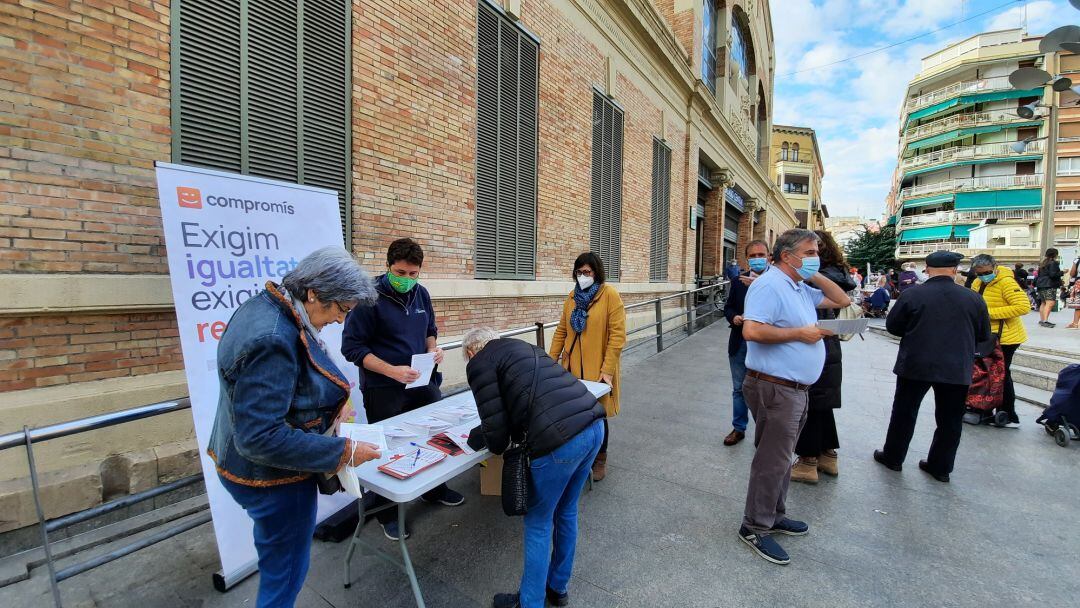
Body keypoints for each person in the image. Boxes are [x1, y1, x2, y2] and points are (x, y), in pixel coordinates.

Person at [209, 247, 383, 608]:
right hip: (273, 480)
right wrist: (343, 452)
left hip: (252, 468)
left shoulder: (272, 307)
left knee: (279, 565)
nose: (339, 321)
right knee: (285, 575)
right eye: (341, 309)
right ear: (315, 293)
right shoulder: (274, 337)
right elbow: (260, 437)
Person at [463, 328, 606, 608]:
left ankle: (531, 602)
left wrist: (478, 436)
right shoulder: (523, 347)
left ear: (470, 352)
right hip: (593, 425)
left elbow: (497, 439)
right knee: (566, 510)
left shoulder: (479, 362)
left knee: (538, 524)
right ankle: (558, 587)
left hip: (560, 442)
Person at [737, 229, 851, 565]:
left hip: (796, 389)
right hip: (774, 388)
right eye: (810, 251)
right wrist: (800, 333)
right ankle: (754, 526)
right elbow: (752, 330)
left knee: (784, 456)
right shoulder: (769, 286)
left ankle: (774, 514)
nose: (816, 254)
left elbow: (842, 300)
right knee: (772, 460)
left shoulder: (798, 286)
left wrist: (812, 271)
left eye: (816, 250)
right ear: (787, 255)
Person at [340, 238, 464, 541]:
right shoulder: (368, 298)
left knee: (435, 435)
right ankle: (385, 511)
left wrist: (434, 350)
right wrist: (391, 370)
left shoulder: (421, 294)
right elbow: (351, 348)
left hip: (423, 381)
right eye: (400, 273)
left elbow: (430, 330)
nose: (406, 280)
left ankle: (434, 490)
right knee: (389, 448)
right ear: (388, 266)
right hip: (384, 387)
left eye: (412, 274)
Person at [874, 251, 991, 484]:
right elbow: (983, 334)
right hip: (956, 367)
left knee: (904, 412)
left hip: (916, 364)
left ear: (927, 269)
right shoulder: (973, 298)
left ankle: (893, 457)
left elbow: (894, 326)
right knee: (950, 420)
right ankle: (941, 467)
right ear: (955, 270)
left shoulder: (913, 294)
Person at [549, 252, 626, 481]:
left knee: (598, 415)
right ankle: (582, 456)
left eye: (587, 272)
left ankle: (600, 457)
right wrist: (550, 361)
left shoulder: (609, 295)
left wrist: (607, 370)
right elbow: (562, 331)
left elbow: (617, 336)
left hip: (599, 370)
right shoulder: (572, 297)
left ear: (596, 273)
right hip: (572, 368)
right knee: (576, 415)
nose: (583, 276)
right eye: (579, 272)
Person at [791, 231, 857, 484]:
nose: (810, 256)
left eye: (812, 251)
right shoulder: (838, 274)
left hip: (816, 345)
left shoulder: (819, 278)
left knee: (810, 405)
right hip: (828, 348)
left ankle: (807, 461)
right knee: (821, 405)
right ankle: (828, 456)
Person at [969, 254, 1029, 427]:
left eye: (986, 272)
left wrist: (989, 314)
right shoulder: (977, 283)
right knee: (984, 373)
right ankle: (983, 407)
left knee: (1002, 375)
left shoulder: (1006, 282)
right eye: (979, 273)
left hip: (1006, 337)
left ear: (994, 267)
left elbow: (1022, 307)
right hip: (986, 336)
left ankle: (1007, 412)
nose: (983, 276)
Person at [722, 240, 771, 446]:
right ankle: (739, 428)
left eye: (761, 255)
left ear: (769, 256)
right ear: (747, 258)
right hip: (740, 341)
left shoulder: (777, 281)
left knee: (766, 390)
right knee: (738, 388)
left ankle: (766, 431)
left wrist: (761, 286)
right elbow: (729, 307)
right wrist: (733, 318)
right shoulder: (738, 281)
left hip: (766, 344)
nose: (757, 259)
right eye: (753, 256)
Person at [1036, 248, 1063, 328]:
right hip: (1049, 285)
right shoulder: (1053, 263)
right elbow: (1053, 275)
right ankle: (1045, 321)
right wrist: (1062, 272)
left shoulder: (1043, 263)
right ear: (1055, 254)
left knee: (1043, 303)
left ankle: (1042, 320)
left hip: (1041, 284)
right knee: (1050, 303)